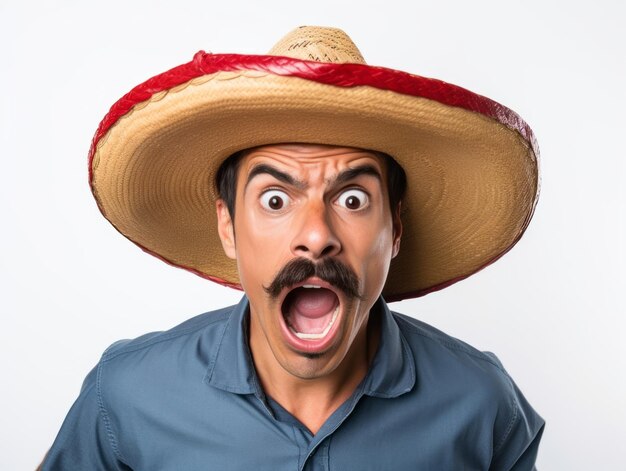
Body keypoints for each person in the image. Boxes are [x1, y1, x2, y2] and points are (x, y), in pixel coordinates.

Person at [41, 26, 545, 470]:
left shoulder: (484, 405)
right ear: (228, 226)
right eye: (276, 198)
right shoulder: (126, 396)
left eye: (352, 198)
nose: (317, 234)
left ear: (395, 229)